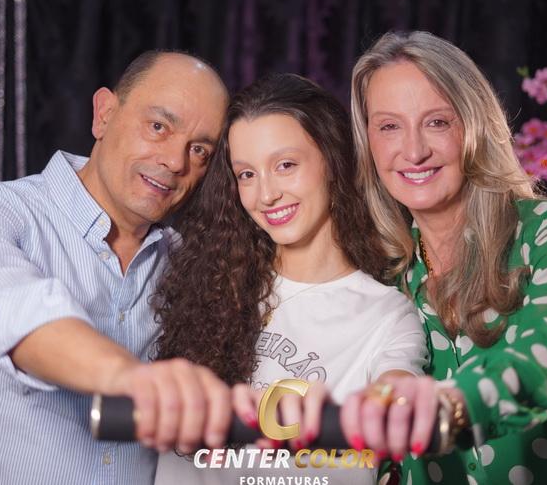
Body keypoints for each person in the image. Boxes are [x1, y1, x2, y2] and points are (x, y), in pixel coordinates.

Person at [339, 31, 547, 484]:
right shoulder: (384, 279)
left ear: (475, 125)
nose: (413, 151)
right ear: (369, 141)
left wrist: (447, 406)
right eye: (389, 126)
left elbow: (543, 364)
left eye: (437, 122)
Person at [0, 51, 235, 484]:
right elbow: (17, 311)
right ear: (104, 114)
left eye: (199, 150)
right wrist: (137, 383)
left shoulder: (184, 261)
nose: (175, 161)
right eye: (158, 127)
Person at [152, 73, 428, 484]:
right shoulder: (210, 287)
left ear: (333, 162)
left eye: (285, 165)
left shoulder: (386, 316)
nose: (266, 195)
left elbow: (398, 394)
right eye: (247, 174)